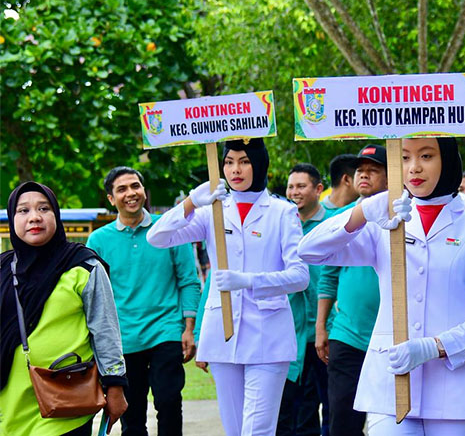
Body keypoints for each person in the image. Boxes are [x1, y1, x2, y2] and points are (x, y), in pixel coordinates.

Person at [299, 138, 465, 435]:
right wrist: (367, 209)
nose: (414, 167)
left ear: (448, 159)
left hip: (458, 392)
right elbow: (310, 250)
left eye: (426, 156)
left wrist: (436, 347)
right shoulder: (385, 221)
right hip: (391, 385)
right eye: (404, 157)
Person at [147, 139, 309, 436]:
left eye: (244, 161)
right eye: (229, 162)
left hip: (268, 336)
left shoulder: (281, 212)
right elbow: (156, 237)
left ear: (259, 164)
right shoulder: (214, 210)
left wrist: (249, 281)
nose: (236, 169)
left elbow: (300, 276)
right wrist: (191, 202)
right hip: (223, 333)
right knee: (234, 430)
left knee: (257, 430)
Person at [0, 182, 128, 436]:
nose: (34, 217)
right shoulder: (3, 269)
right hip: (10, 402)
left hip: (66, 400)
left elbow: (105, 330)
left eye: (43, 208)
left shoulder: (83, 265)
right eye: (23, 211)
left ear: (56, 216)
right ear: (12, 219)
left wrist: (115, 386)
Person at [87, 167, 201, 436]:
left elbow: (188, 280)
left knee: (169, 401)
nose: (131, 193)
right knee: (131, 412)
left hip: (166, 332)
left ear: (144, 191)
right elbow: (92, 295)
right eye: (122, 189)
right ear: (111, 199)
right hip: (123, 338)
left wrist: (189, 328)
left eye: (135, 186)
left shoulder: (170, 229)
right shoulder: (98, 240)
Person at [314, 145, 386, 436]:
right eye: (360, 170)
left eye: (373, 169)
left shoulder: (407, 217)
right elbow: (327, 278)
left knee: (389, 420)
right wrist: (322, 327)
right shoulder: (343, 219)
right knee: (343, 420)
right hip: (347, 334)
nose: (364, 175)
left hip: (391, 337)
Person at [279, 163, 331, 436]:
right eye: (291, 187)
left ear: (318, 189)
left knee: (333, 407)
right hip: (292, 332)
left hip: (330, 331)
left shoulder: (334, 223)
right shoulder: (282, 224)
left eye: (301, 186)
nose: (294, 192)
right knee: (297, 410)